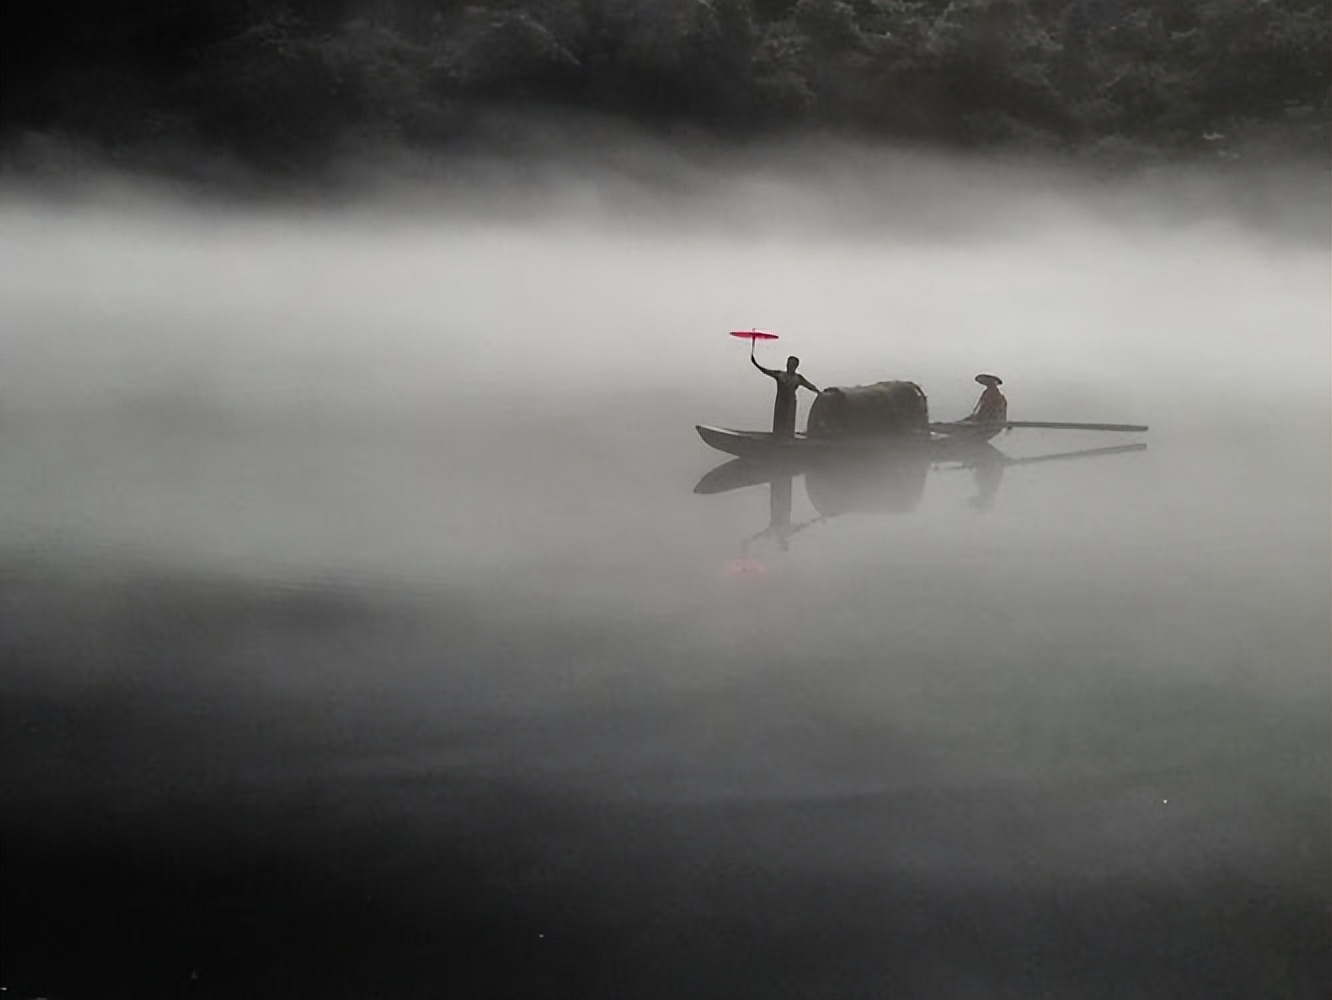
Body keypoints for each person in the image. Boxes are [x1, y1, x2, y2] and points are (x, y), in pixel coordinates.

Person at [752, 353, 819, 438]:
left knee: (789, 421)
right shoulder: (780, 374)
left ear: (795, 366)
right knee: (779, 420)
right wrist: (755, 363)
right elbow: (766, 371)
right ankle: (777, 436)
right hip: (780, 401)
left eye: (791, 364)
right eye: (788, 363)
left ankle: (788, 437)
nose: (789, 366)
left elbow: (809, 385)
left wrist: (818, 392)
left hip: (791, 402)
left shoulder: (798, 378)